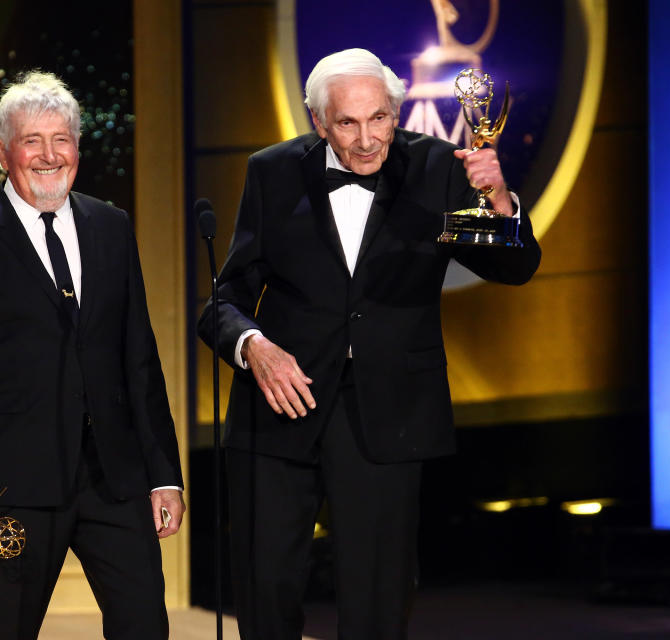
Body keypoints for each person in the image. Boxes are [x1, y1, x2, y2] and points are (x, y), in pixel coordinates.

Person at [197, 48, 541, 639]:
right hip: (281, 404)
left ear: (395, 112)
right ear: (318, 121)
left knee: (378, 598)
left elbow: (514, 270)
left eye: (378, 119)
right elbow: (224, 299)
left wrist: (502, 202)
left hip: (388, 411)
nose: (364, 140)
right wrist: (254, 346)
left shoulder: (439, 165)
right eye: (348, 123)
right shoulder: (272, 171)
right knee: (265, 587)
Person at [0, 70, 185, 639]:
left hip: (113, 479)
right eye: (32, 141)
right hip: (14, 490)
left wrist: (164, 473)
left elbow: (139, 358)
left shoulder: (111, 227)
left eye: (61, 139)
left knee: (145, 626)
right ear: (2, 151)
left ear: (77, 147)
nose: (49, 156)